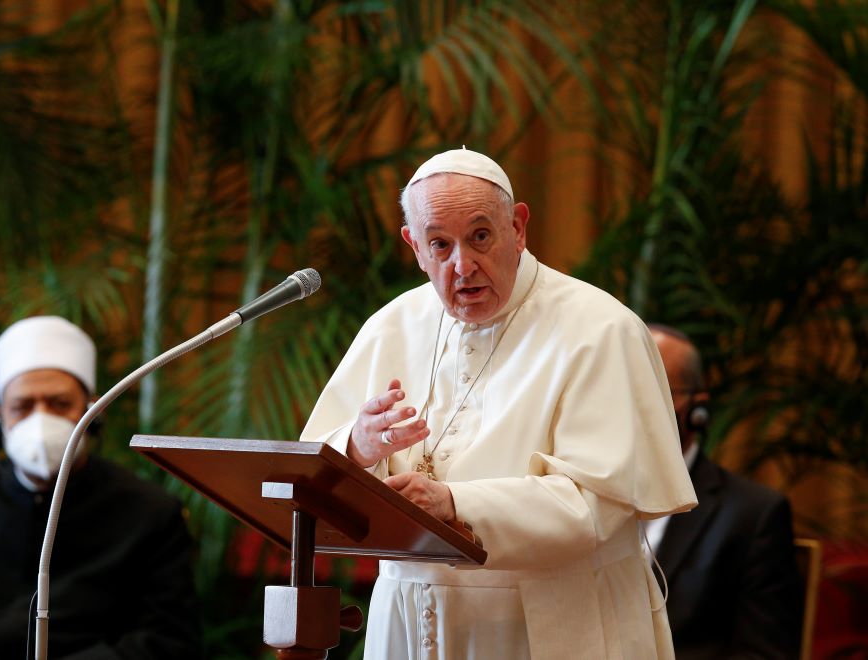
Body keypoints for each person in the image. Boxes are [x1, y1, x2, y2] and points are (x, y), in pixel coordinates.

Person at [300, 148, 698, 659]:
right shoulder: (391, 327)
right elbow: (309, 476)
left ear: (519, 227)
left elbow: (596, 506)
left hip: (550, 628)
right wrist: (355, 446)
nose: (462, 265)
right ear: (414, 248)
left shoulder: (600, 329)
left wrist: (454, 504)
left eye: (481, 236)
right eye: (439, 245)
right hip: (409, 625)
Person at [0, 316, 200, 659]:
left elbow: (171, 641)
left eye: (59, 404)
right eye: (22, 407)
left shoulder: (149, 512)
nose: (40, 421)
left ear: (93, 412)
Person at [646, 324, 803, 659]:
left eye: (652, 389)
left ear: (697, 410)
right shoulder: (573, 493)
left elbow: (764, 652)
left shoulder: (753, 515)